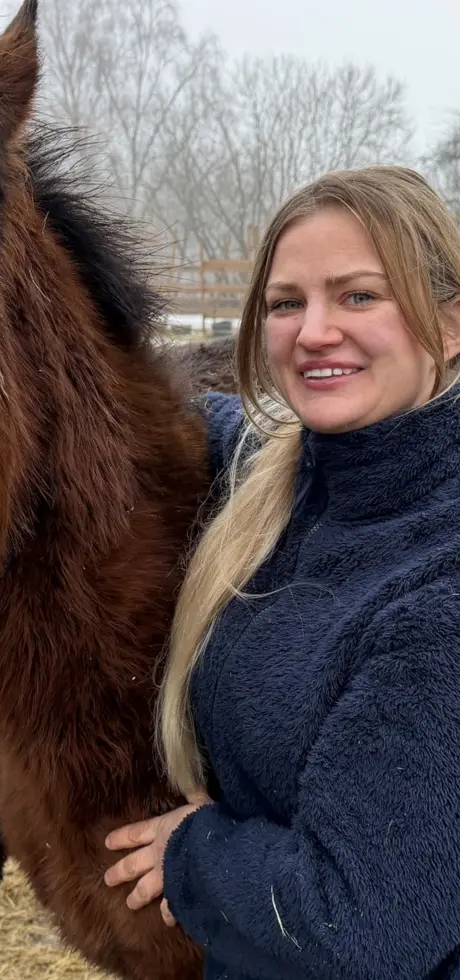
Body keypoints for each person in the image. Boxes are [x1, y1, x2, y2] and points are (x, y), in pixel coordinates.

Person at [104, 165, 460, 979]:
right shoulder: (289, 477)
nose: (314, 332)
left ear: (449, 326)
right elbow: (220, 424)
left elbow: (352, 921)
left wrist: (195, 855)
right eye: (286, 303)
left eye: (359, 296)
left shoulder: (441, 589)